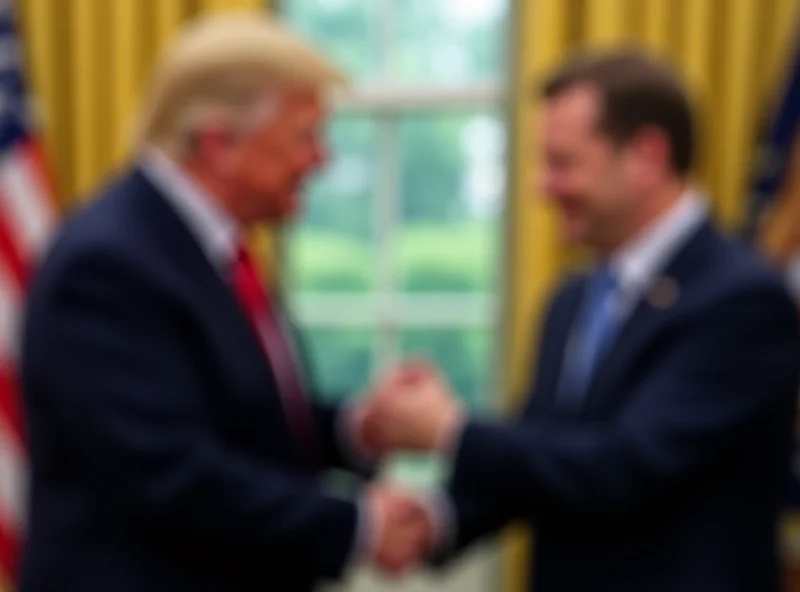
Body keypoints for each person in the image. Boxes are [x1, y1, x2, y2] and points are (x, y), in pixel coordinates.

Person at [19, 14, 433, 592]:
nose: (321, 160)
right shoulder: (108, 262)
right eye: (304, 138)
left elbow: (245, 418)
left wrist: (356, 428)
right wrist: (359, 526)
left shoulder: (212, 248)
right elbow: (170, 475)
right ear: (221, 144)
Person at [364, 50, 800, 592]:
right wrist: (434, 522)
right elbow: (542, 450)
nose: (543, 188)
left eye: (562, 163)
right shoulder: (571, 298)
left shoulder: (743, 300)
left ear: (646, 156)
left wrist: (451, 431)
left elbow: (625, 468)